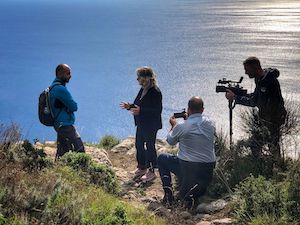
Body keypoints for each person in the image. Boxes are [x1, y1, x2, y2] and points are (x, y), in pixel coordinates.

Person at [157, 96, 216, 208]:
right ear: (203, 110)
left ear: (188, 110)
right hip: (207, 172)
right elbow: (197, 131)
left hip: (189, 170)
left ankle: (168, 196)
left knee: (162, 158)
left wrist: (173, 126)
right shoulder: (211, 123)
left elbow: (170, 141)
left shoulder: (181, 126)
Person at [225, 57, 286, 163]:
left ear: (256, 68)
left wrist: (235, 98)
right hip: (265, 118)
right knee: (261, 145)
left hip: (273, 118)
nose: (246, 72)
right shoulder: (259, 79)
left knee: (270, 145)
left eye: (247, 70)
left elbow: (254, 102)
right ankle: (268, 166)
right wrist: (239, 94)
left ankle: (274, 168)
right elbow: (255, 97)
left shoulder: (270, 82)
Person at [120, 66, 162, 183]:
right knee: (138, 144)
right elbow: (138, 104)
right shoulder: (143, 89)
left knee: (149, 146)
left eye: (139, 77)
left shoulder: (155, 92)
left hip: (151, 124)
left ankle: (152, 171)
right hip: (141, 123)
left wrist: (141, 111)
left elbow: (157, 111)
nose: (137, 79)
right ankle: (142, 167)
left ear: (146, 78)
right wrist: (130, 106)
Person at [50, 64, 85, 159]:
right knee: (79, 150)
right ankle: (81, 172)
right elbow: (74, 106)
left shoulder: (53, 87)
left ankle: (58, 172)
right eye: (68, 73)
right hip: (65, 125)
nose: (70, 76)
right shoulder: (60, 89)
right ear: (60, 74)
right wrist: (69, 106)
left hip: (59, 124)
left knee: (62, 153)